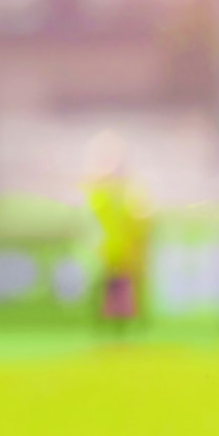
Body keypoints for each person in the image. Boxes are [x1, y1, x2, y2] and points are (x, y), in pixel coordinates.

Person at [83, 132, 149, 333]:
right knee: (108, 287)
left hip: (122, 250)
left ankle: (121, 322)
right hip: (105, 250)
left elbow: (137, 218)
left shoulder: (127, 191)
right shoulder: (99, 191)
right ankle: (108, 321)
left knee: (122, 287)